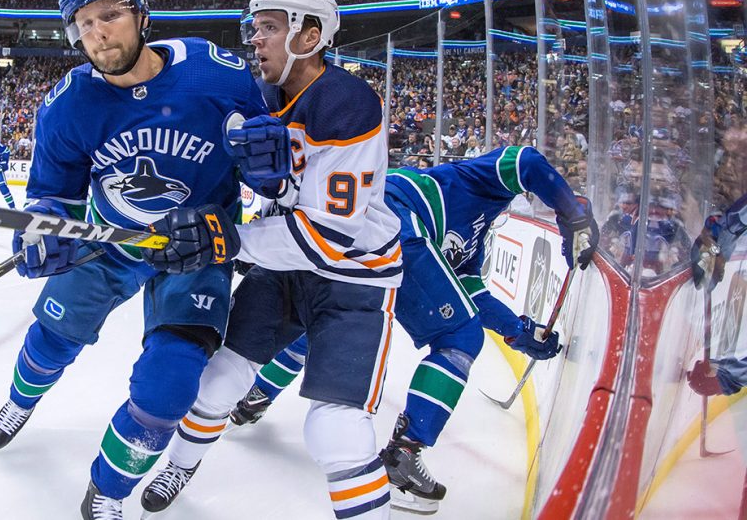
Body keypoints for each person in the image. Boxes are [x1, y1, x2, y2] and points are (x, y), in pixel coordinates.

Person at [0, 0, 268, 520]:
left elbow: (263, 170)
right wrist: (43, 227)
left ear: (142, 14)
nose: (98, 34)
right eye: (84, 24)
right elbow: (53, 195)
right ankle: (21, 401)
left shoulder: (217, 74)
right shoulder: (67, 104)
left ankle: (107, 492)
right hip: (109, 243)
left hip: (196, 248)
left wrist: (264, 169)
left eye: (109, 16)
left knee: (171, 383)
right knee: (52, 337)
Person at [141, 0, 403, 520]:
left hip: (354, 277)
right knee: (216, 383)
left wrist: (227, 241)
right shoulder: (266, 95)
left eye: (269, 28)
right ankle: (181, 465)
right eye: (253, 27)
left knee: (334, 427)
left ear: (309, 36)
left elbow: (329, 235)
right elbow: (287, 193)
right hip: (287, 264)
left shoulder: (347, 103)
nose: (255, 39)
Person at [222, 145, 599, 514]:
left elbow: (469, 294)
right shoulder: (478, 180)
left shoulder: (475, 244)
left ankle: (253, 396)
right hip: (394, 222)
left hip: (347, 227)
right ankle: (403, 453)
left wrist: (518, 331)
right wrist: (572, 214)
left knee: (319, 319)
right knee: (460, 337)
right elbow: (526, 160)